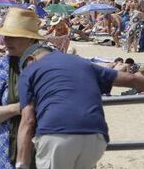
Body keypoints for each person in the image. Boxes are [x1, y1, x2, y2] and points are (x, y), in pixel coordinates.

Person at [16, 44, 144, 169]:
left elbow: (28, 120)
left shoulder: (30, 70)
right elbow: (131, 79)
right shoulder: (81, 62)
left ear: (30, 59)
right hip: (95, 137)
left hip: (56, 134)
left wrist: (21, 164)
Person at [0, 8, 44, 169]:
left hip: (44, 152)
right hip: (6, 155)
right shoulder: (1, 66)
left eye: (14, 36)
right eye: (6, 35)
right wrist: (20, 108)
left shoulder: (49, 65)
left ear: (30, 39)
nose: (6, 40)